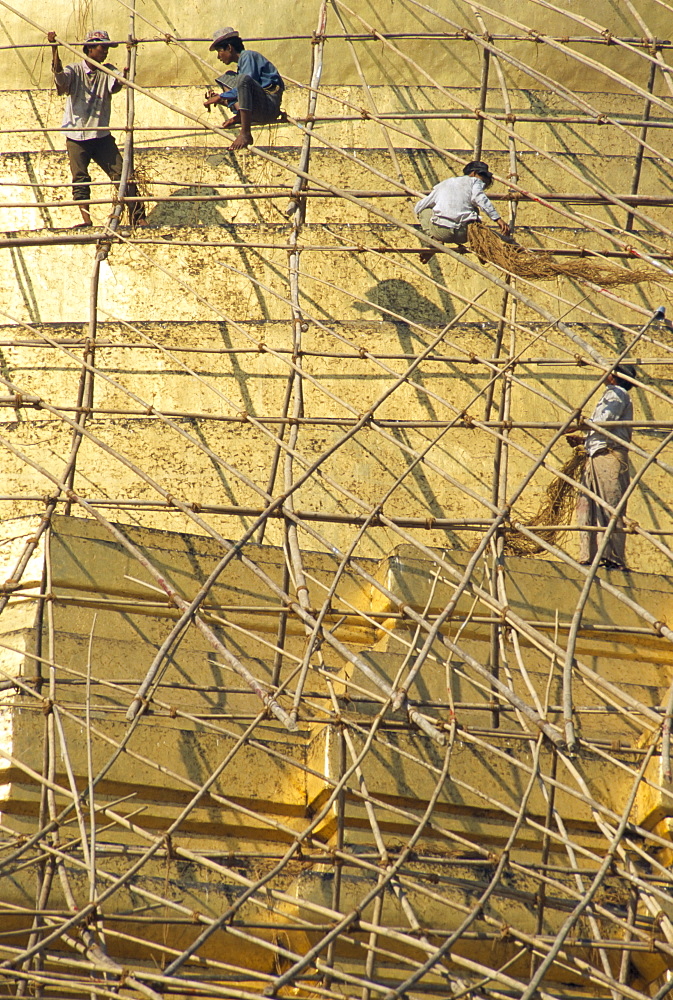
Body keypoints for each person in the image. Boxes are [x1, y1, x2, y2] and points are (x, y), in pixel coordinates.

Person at [48, 28, 146, 228]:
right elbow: (59, 77)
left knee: (123, 175)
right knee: (81, 179)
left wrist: (125, 74)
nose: (106, 51)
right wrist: (54, 49)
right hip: (76, 135)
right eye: (103, 47)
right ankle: (86, 220)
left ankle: (138, 216)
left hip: (100, 135)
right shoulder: (74, 70)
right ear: (90, 48)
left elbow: (117, 83)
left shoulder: (108, 70)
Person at [567, 364, 637, 571]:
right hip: (597, 454)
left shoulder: (617, 393)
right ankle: (590, 555)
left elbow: (603, 422)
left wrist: (581, 423)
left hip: (609, 455)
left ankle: (611, 557)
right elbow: (601, 429)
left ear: (615, 377)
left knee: (609, 505)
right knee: (588, 506)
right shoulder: (612, 393)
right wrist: (583, 439)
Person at [414, 160, 510, 264]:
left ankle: (434, 238)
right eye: (483, 175)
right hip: (465, 234)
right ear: (473, 173)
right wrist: (497, 219)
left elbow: (419, 206)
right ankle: (479, 245)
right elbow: (480, 199)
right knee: (474, 210)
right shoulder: (474, 181)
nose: (484, 180)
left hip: (441, 232)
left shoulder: (445, 184)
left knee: (424, 210)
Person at [203, 27, 284, 150]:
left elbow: (246, 84)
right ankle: (240, 116)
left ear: (229, 48)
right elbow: (242, 91)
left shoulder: (248, 56)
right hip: (258, 108)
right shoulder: (242, 65)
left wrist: (221, 96)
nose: (219, 57)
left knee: (242, 80)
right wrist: (219, 98)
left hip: (269, 106)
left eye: (219, 51)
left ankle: (245, 133)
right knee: (227, 77)